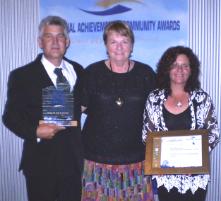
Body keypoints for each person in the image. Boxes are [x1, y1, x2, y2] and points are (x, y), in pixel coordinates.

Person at [2, 16, 84, 201]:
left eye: (60, 36)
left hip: (73, 164)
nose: (55, 42)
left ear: (67, 42)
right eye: (49, 36)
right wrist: (35, 131)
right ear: (40, 42)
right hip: (41, 165)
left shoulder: (78, 71)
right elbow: (10, 116)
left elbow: (84, 105)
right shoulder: (22, 75)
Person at [80, 20, 156, 201]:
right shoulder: (92, 73)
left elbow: (158, 114)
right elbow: (76, 109)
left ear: (132, 45)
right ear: (106, 45)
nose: (119, 47)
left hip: (137, 162)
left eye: (124, 41)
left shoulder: (146, 74)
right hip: (97, 162)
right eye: (113, 42)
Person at [142, 46, 220, 201]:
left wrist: (196, 161)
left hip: (195, 178)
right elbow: (147, 136)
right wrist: (163, 163)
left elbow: (214, 133)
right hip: (166, 177)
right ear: (167, 69)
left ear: (192, 70)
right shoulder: (154, 99)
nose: (180, 70)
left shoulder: (202, 98)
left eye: (185, 65)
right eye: (175, 65)